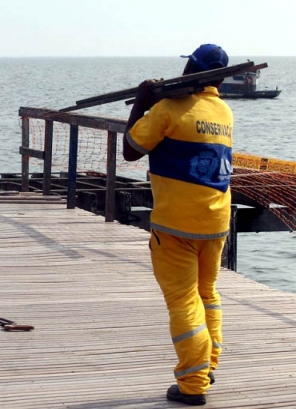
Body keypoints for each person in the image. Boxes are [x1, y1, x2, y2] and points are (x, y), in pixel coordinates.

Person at [123, 43, 233, 406]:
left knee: (184, 301)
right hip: (217, 219)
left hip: (176, 224)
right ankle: (208, 364)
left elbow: (130, 148)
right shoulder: (223, 110)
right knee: (207, 294)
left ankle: (193, 383)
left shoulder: (168, 109)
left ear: (191, 70)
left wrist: (143, 100)